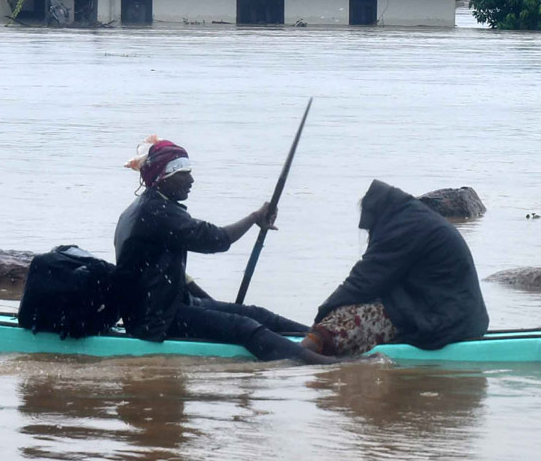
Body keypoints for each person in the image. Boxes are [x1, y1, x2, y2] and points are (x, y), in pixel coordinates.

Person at [114, 138, 334, 364]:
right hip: (154, 318)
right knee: (244, 326)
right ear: (163, 177)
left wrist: (219, 309)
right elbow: (216, 239)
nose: (191, 180)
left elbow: (180, 276)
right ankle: (317, 363)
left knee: (257, 315)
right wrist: (254, 218)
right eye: (184, 173)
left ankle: (325, 340)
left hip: (167, 303)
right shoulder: (156, 212)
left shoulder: (152, 206)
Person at [302, 179, 489, 358]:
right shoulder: (413, 218)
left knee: (343, 321)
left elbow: (362, 282)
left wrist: (322, 316)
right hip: (458, 317)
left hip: (446, 322)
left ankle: (296, 355)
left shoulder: (406, 227)